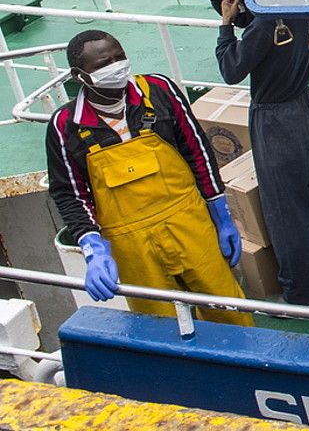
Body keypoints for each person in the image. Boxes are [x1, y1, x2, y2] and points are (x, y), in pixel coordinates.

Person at [46, 30, 253, 326]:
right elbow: (69, 193)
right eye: (104, 63)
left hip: (189, 223)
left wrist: (221, 215)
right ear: (80, 76)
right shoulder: (65, 125)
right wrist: (93, 247)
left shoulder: (159, 90)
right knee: (158, 325)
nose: (116, 67)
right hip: (132, 247)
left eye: (120, 57)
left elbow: (198, 151)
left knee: (227, 308)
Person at [201, 0, 309, 306]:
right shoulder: (291, 1)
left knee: (286, 211)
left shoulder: (263, 23)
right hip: (306, 106)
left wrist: (223, 25)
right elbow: (258, 29)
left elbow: (233, 68)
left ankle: (305, 295)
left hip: (276, 119)